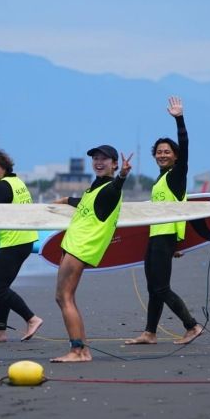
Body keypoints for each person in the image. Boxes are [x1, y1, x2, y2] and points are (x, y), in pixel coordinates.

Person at [126, 96, 203, 346]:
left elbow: (185, 145)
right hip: (157, 237)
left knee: (160, 287)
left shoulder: (176, 176)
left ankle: (191, 326)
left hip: (165, 237)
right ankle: (150, 333)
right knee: (154, 288)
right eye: (158, 152)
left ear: (176, 157)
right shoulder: (160, 180)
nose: (162, 155)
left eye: (167, 152)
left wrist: (179, 119)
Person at [51, 144, 133, 363]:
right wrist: (66, 200)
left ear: (114, 164)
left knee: (63, 297)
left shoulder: (111, 189)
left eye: (104, 159)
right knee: (66, 297)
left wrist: (123, 175)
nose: (98, 161)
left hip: (81, 247)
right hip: (74, 245)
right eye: (95, 158)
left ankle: (77, 351)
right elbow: (85, 203)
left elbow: (114, 189)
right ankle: (83, 350)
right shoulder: (95, 189)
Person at [0, 149, 43, 342]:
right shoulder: (17, 182)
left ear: (3, 165)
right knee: (3, 287)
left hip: (14, 242)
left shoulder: (2, 186)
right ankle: (0, 331)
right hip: (25, 240)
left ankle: (31, 318)